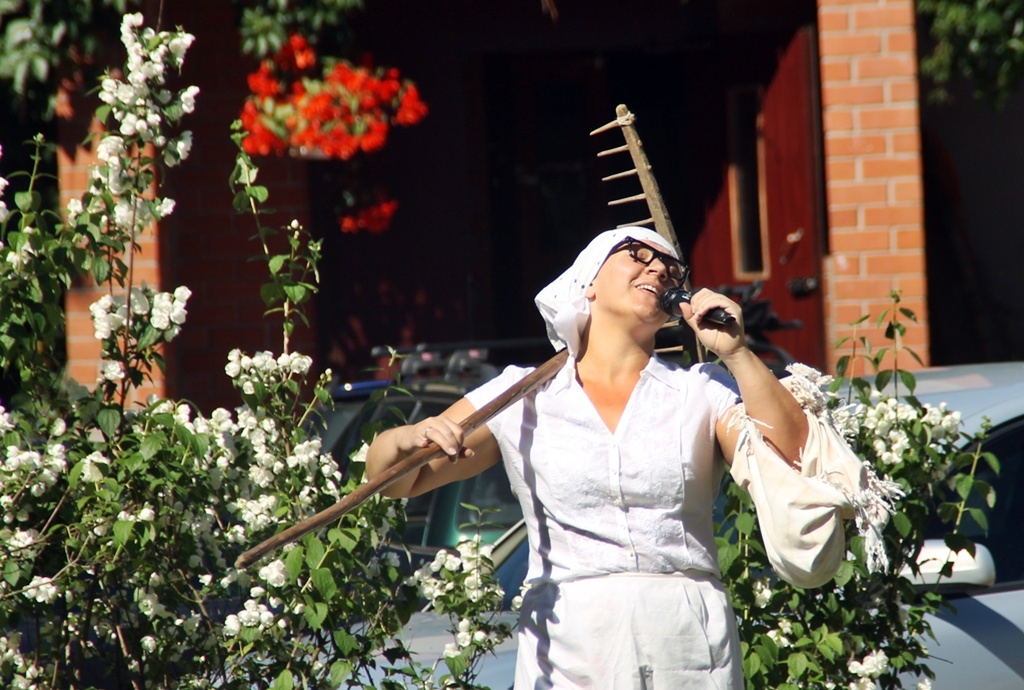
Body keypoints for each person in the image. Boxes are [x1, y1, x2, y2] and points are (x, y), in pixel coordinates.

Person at [365, 226, 815, 689]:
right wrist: (405, 437)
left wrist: (737, 353)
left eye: (671, 268)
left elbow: (791, 455)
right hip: (570, 642)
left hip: (686, 641)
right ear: (589, 282)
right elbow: (400, 483)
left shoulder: (700, 391)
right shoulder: (521, 395)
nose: (658, 268)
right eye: (637, 255)